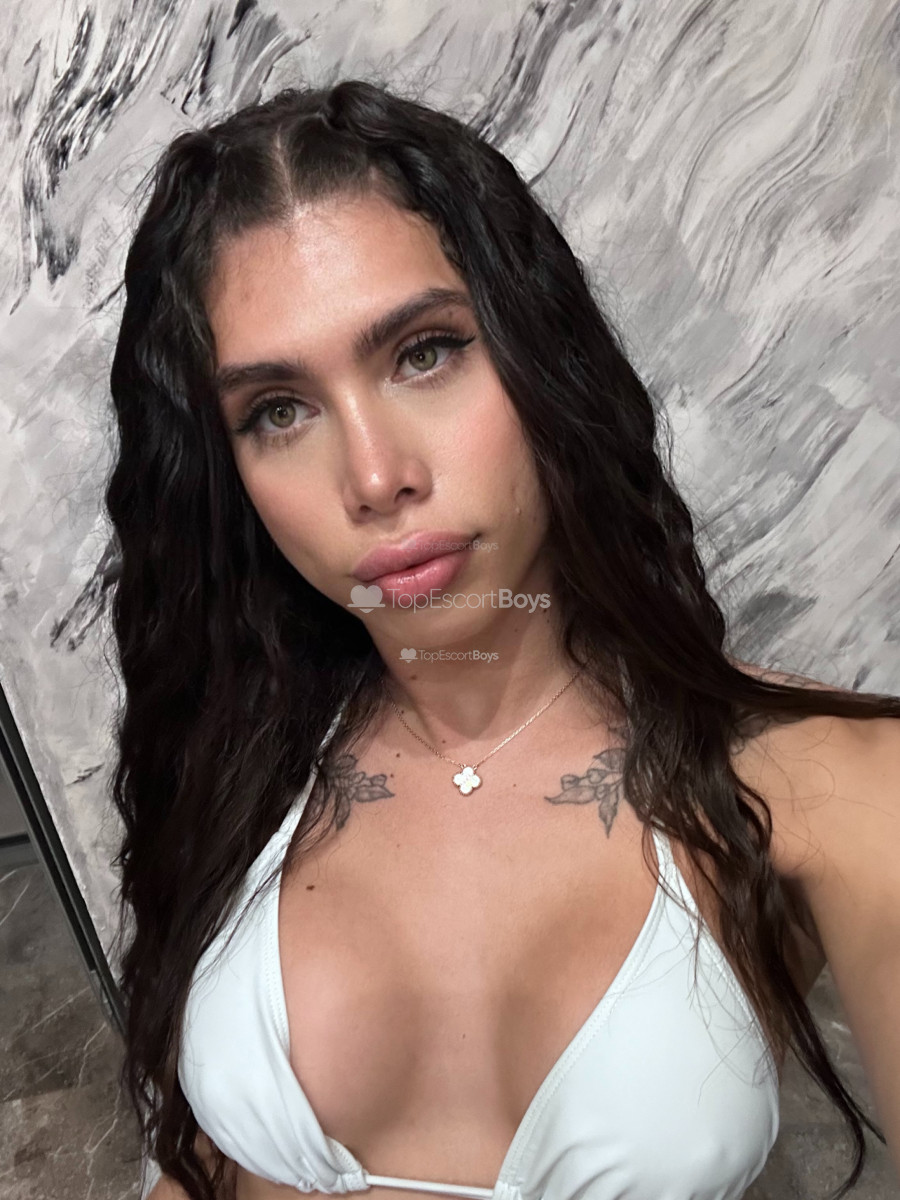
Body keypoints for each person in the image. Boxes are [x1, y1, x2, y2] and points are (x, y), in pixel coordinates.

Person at [104, 79, 900, 1200]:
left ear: (540, 357)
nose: (375, 477)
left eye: (425, 352)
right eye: (278, 410)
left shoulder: (834, 788)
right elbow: (196, 1166)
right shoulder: (240, 759)